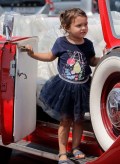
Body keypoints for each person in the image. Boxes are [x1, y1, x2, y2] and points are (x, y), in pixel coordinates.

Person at [24, 8, 100, 164]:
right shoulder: (61, 43)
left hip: (83, 87)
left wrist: (103, 58)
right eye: (79, 25)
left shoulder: (88, 44)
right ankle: (62, 153)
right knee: (65, 121)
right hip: (64, 88)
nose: (84, 28)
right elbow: (49, 56)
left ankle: (76, 147)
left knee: (79, 121)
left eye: (86, 24)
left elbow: (91, 61)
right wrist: (33, 55)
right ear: (67, 27)